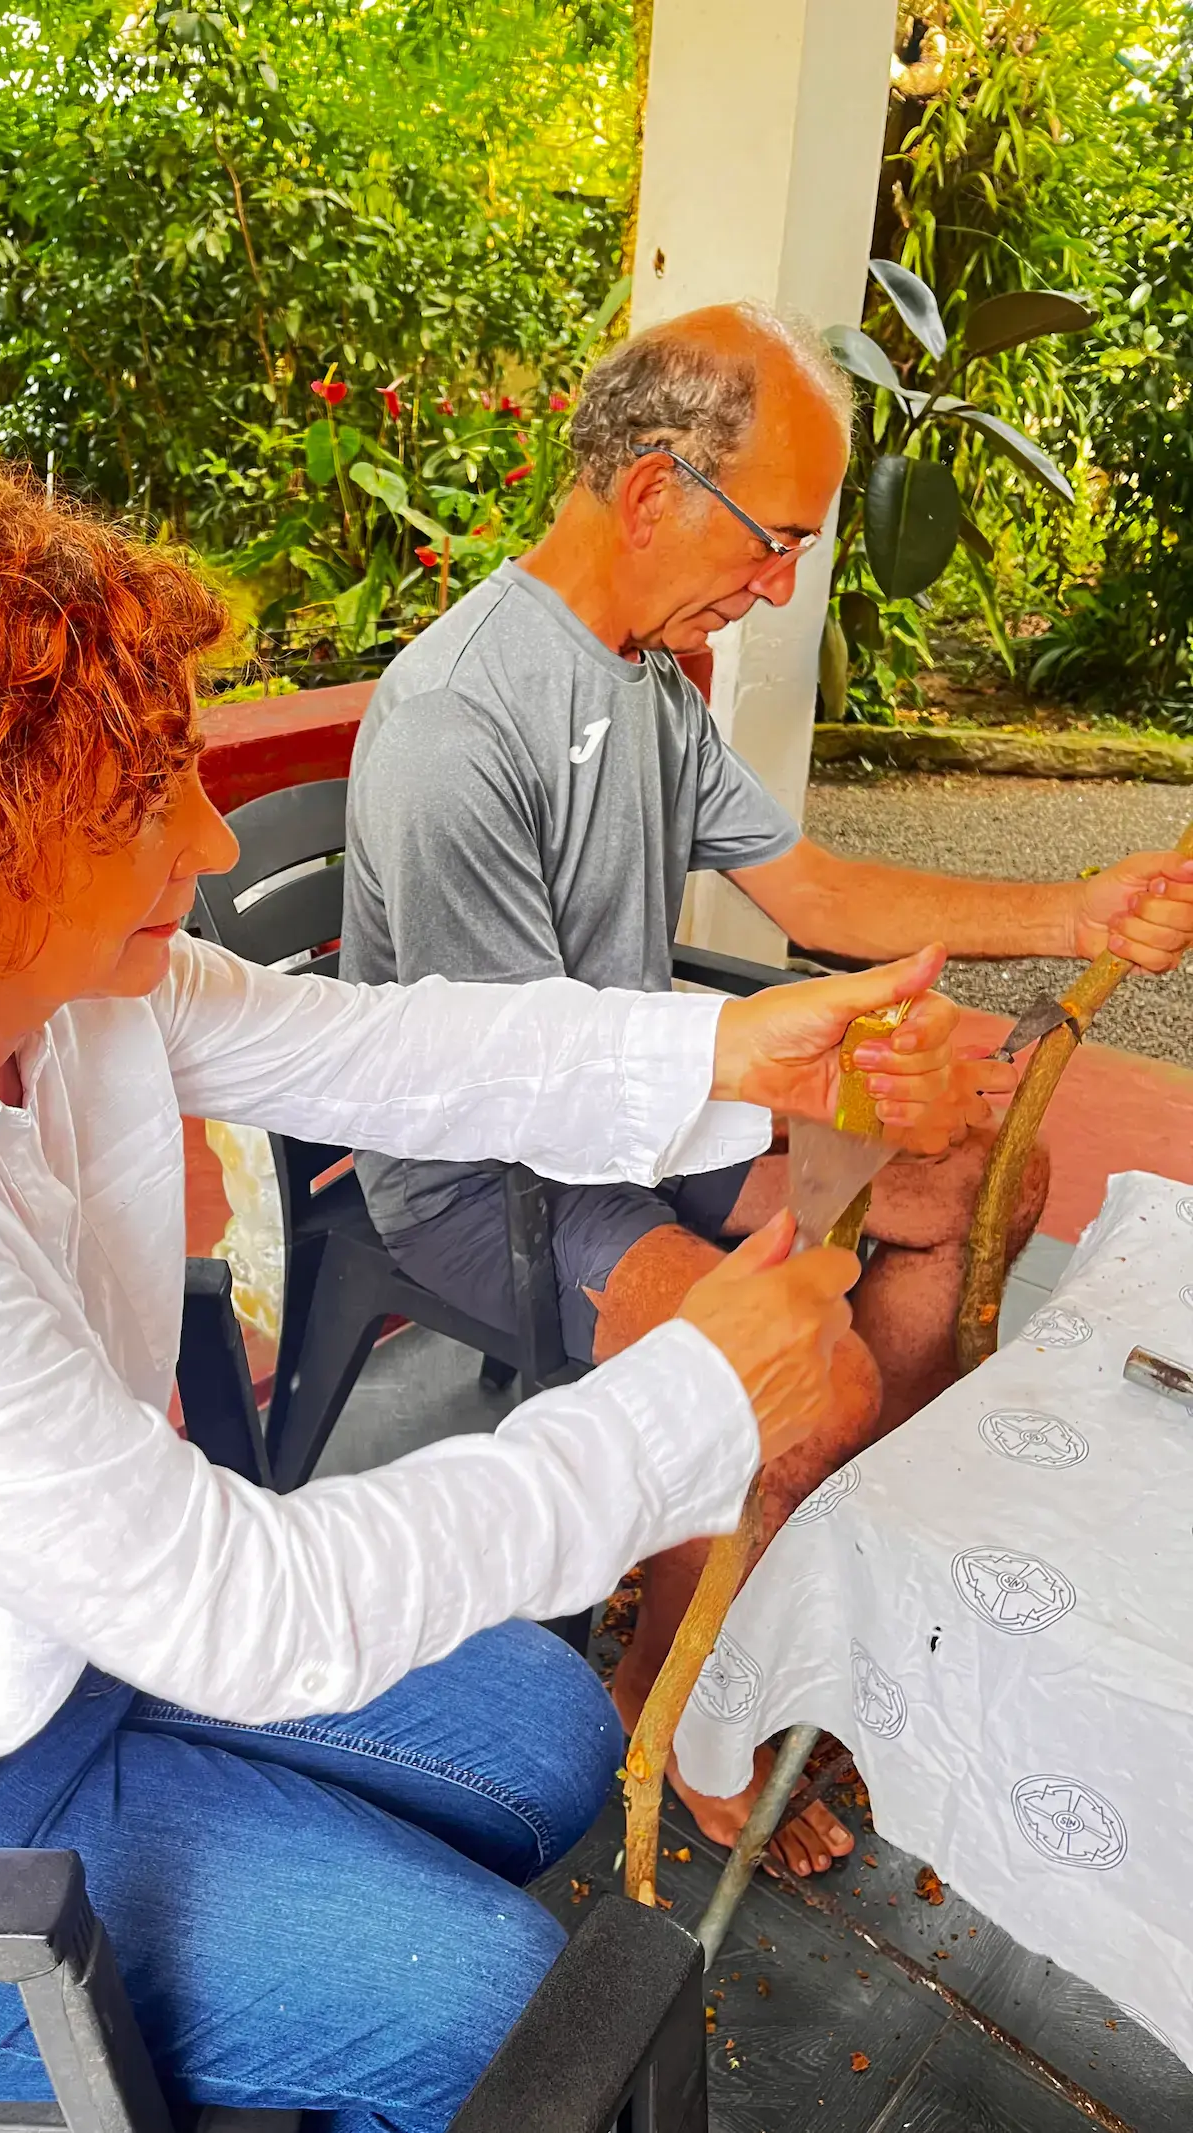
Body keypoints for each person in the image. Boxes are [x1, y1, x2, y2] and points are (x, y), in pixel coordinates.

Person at [0, 444, 992, 2132]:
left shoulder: (36, 987)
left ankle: (311, 1915)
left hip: (49, 1618)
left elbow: (385, 1045)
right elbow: (244, 1608)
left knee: (547, 1739)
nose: (205, 836)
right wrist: (699, 1394)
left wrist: (732, 1046)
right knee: (509, 2012)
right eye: (140, 809)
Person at [339, 299, 1193, 1868]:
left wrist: (1071, 915)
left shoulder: (653, 678)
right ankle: (681, 1692)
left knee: (978, 1175)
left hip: (633, 1115)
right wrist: (822, 1083)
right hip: (491, 1181)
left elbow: (809, 892)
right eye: (774, 538)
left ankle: (802, 1587)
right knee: (795, 1386)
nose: (783, 583)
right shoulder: (464, 717)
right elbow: (508, 1095)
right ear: (654, 491)